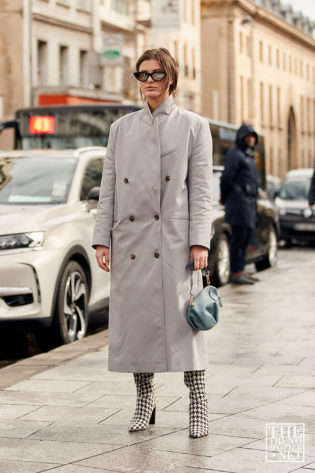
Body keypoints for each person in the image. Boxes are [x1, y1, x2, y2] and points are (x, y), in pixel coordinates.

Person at [92, 48, 213, 438]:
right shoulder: (120, 129)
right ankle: (145, 398)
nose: (148, 81)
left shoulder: (194, 126)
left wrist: (200, 242)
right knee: (137, 326)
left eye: (156, 74)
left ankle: (198, 401)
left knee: (186, 325)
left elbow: (201, 191)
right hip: (131, 241)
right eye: (141, 74)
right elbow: (107, 191)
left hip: (175, 242)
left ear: (171, 79)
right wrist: (101, 240)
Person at [220, 124, 259, 285]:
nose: (250, 139)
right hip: (239, 204)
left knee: (246, 238)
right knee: (238, 239)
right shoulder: (235, 154)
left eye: (252, 136)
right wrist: (224, 197)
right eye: (247, 136)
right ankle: (236, 273)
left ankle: (241, 270)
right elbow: (226, 178)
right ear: (241, 138)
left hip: (249, 204)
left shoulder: (249, 155)